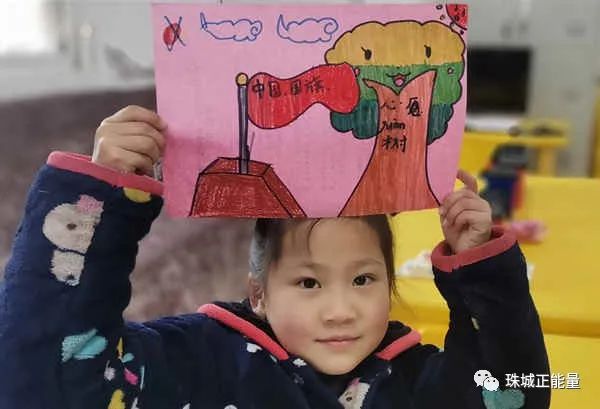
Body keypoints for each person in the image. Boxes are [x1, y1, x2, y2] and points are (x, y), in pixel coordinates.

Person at [0, 106, 549, 409]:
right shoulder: (203, 360)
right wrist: (100, 199)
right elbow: (50, 375)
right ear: (258, 293)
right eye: (309, 283)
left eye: (363, 279)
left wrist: (480, 269)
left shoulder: (411, 379)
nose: (341, 311)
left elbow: (519, 392)